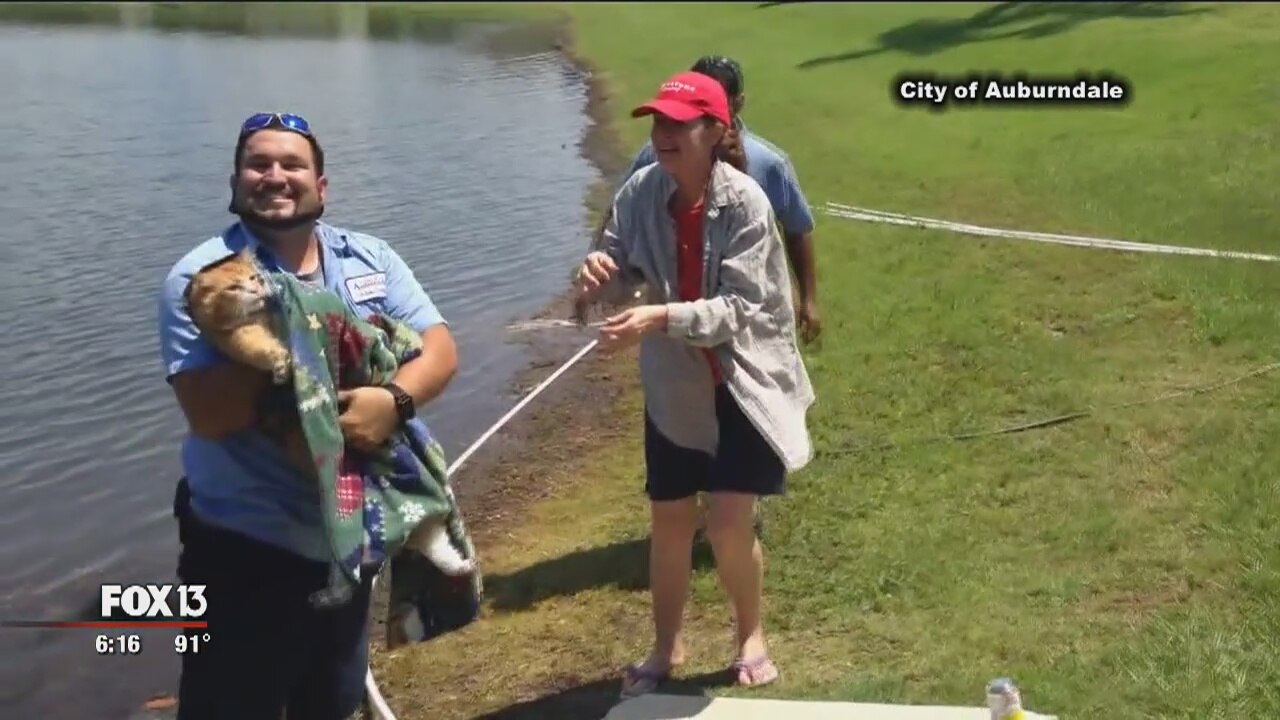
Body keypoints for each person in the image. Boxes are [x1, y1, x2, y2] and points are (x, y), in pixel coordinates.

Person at [157, 112, 458, 720]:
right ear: (236, 181)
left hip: (347, 541)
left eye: (292, 164)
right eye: (258, 164)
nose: (274, 176)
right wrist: (292, 342)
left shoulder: (370, 257)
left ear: (322, 185)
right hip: (240, 545)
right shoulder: (202, 277)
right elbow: (209, 414)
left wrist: (390, 402)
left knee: (333, 701)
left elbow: (440, 350)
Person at [575, 72, 815, 697]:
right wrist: (599, 276)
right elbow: (616, 278)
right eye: (657, 123)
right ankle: (665, 645)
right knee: (671, 521)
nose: (662, 135)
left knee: (731, 523)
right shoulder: (637, 194)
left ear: (715, 131)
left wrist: (659, 317)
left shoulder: (747, 204)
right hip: (673, 388)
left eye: (678, 124)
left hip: (743, 380)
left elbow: (737, 309)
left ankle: (749, 635)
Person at [614, 55, 821, 343]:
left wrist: (809, 300)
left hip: (749, 329)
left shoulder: (767, 166)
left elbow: (797, 229)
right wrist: (600, 262)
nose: (666, 135)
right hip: (678, 336)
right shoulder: (657, 158)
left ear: (738, 103)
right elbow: (620, 216)